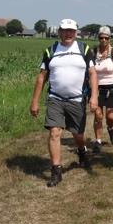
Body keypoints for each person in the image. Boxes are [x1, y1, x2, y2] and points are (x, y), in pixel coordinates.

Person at [30, 18, 98, 187]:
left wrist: (94, 96)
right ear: (59, 32)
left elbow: (93, 74)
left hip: (77, 100)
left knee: (78, 135)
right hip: (55, 99)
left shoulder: (84, 49)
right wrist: (35, 101)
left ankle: (81, 151)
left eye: (71, 31)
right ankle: (56, 171)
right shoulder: (50, 50)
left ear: (76, 32)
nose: (68, 34)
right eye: (65, 30)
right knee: (54, 133)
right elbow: (41, 77)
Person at [91, 25, 113, 153]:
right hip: (97, 88)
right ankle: (98, 141)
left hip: (112, 87)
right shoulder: (93, 52)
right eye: (101, 38)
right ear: (98, 38)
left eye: (106, 38)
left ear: (110, 39)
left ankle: (110, 129)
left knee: (110, 116)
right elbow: (89, 70)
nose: (103, 40)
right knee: (98, 115)